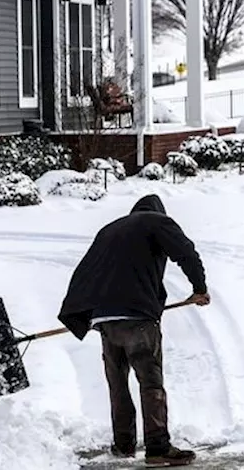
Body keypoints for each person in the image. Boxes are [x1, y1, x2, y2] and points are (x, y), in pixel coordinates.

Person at [58, 194, 211, 468]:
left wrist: (83, 314)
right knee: (150, 380)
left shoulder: (109, 230)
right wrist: (199, 288)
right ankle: (157, 447)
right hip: (137, 317)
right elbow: (186, 252)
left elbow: (85, 271)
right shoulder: (158, 222)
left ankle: (123, 444)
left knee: (118, 383)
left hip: (104, 318)